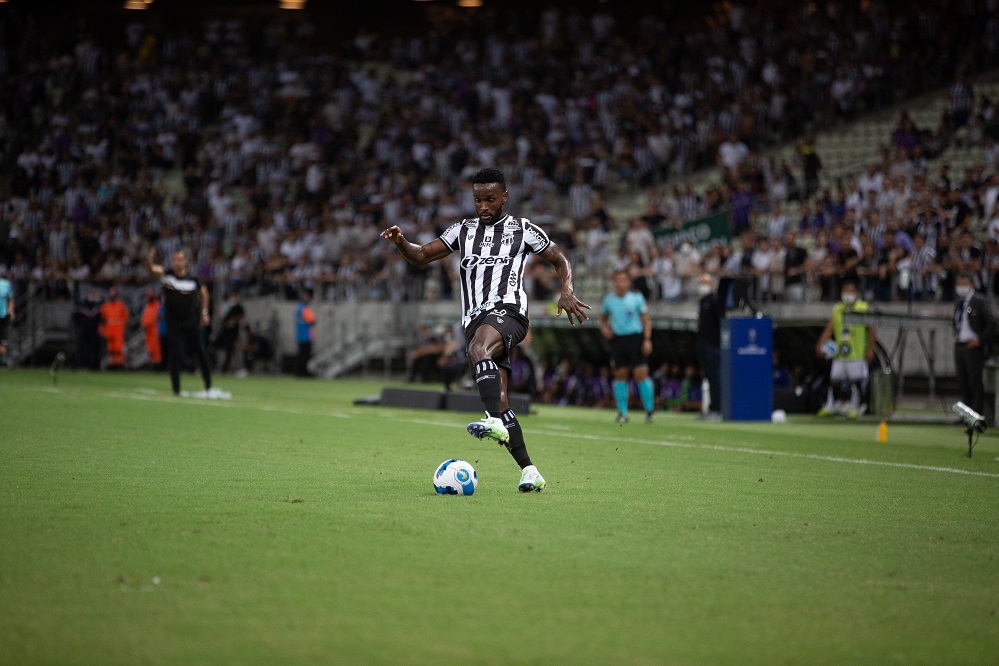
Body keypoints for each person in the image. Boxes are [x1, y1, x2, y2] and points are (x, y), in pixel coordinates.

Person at [380, 167, 590, 493]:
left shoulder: (523, 229)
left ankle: (493, 421)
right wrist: (400, 242)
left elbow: (560, 259)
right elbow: (421, 256)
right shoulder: (462, 230)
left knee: (478, 350)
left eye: (490, 199)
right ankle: (529, 470)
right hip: (475, 320)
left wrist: (567, 290)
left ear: (504, 197)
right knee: (500, 402)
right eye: (478, 200)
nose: (483, 206)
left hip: (510, 313)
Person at [147, 248, 215, 396]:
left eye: (179, 259)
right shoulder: (167, 276)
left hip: (190, 320)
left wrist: (204, 312)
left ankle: (209, 386)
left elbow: (204, 293)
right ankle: (176, 390)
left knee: (200, 351)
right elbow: (152, 269)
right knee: (175, 354)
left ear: (186, 262)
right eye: (174, 259)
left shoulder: (193, 279)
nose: (176, 262)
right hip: (173, 321)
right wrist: (150, 259)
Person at [599, 270, 656, 424]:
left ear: (628, 282)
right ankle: (623, 412)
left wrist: (647, 339)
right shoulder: (609, 300)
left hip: (635, 339)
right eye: (617, 280)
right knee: (620, 375)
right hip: (618, 340)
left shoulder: (636, 298)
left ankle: (649, 410)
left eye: (623, 280)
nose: (620, 283)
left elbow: (646, 320)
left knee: (641, 374)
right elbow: (602, 318)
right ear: (614, 282)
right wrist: (604, 329)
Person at [815, 280, 876, 418]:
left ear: (856, 293)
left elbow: (872, 330)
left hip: (857, 352)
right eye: (845, 292)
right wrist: (821, 343)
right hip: (840, 352)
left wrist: (870, 349)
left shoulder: (863, 308)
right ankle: (830, 406)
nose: (847, 295)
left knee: (856, 380)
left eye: (850, 292)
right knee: (834, 379)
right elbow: (830, 328)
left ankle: (854, 408)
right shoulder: (837, 309)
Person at [953, 272, 996, 415]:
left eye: (964, 284)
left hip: (973, 348)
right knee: (962, 382)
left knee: (974, 381)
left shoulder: (979, 301)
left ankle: (975, 415)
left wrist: (980, 340)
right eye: (959, 284)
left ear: (971, 285)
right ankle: (965, 415)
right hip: (960, 345)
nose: (961, 287)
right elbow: (957, 321)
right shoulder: (959, 302)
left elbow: (991, 322)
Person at [695, 272, 723, 419]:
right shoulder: (703, 300)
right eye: (700, 282)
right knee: (709, 377)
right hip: (703, 344)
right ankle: (712, 407)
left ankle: (717, 408)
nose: (702, 285)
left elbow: (721, 322)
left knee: (715, 377)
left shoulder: (715, 300)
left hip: (713, 345)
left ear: (711, 284)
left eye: (704, 282)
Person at [213, 291, 245, 373]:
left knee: (230, 350)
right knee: (216, 346)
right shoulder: (227, 306)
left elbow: (242, 317)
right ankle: (218, 365)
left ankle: (226, 368)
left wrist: (233, 321)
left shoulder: (238, 306)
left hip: (232, 332)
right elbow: (224, 319)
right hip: (224, 331)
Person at [99, 286, 129, 369]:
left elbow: (125, 318)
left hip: (118, 330)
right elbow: (102, 320)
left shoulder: (121, 305)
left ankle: (120, 364)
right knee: (111, 349)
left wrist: (123, 328)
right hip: (109, 330)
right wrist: (103, 330)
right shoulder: (105, 306)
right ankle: (113, 364)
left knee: (118, 348)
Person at [295, 288, 316, 377]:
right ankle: (303, 372)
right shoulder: (304, 308)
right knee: (305, 356)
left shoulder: (298, 308)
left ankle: (299, 372)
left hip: (300, 334)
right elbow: (312, 320)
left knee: (301, 355)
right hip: (306, 335)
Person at [140, 288, 162, 369]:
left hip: (155, 330)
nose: (148, 297)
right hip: (148, 331)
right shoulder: (147, 306)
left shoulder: (157, 305)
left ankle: (157, 366)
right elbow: (144, 318)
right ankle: (152, 364)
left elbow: (159, 317)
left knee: (156, 349)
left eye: (150, 296)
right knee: (150, 349)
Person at [0, 267, 14, 365]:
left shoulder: (6, 284)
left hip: (3, 316)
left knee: (3, 347)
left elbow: (11, 299)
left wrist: (11, 310)